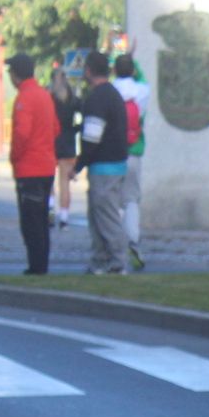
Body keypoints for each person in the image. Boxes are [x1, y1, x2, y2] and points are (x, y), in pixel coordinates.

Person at [73, 52, 131, 275]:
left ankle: (116, 261)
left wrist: (78, 164)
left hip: (104, 166)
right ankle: (100, 260)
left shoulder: (97, 98)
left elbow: (92, 136)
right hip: (116, 164)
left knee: (105, 216)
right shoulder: (113, 94)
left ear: (88, 70)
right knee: (99, 214)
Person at [6, 53, 62, 276]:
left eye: (10, 71)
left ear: (16, 75)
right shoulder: (44, 95)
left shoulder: (24, 98)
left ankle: (36, 267)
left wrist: (14, 157)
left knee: (30, 221)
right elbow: (56, 128)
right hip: (46, 166)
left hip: (29, 168)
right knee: (40, 218)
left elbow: (22, 133)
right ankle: (41, 264)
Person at [112, 53, 151, 272]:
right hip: (134, 151)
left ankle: (116, 240)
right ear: (132, 70)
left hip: (113, 152)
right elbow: (144, 80)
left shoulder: (111, 90)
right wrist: (135, 61)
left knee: (112, 200)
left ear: (115, 70)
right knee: (131, 199)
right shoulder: (142, 91)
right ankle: (133, 239)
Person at [49, 59, 80, 227]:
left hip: (52, 142)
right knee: (65, 183)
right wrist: (75, 129)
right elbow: (83, 118)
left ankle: (50, 210)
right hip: (68, 144)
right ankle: (64, 217)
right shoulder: (73, 99)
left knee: (49, 180)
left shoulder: (50, 98)